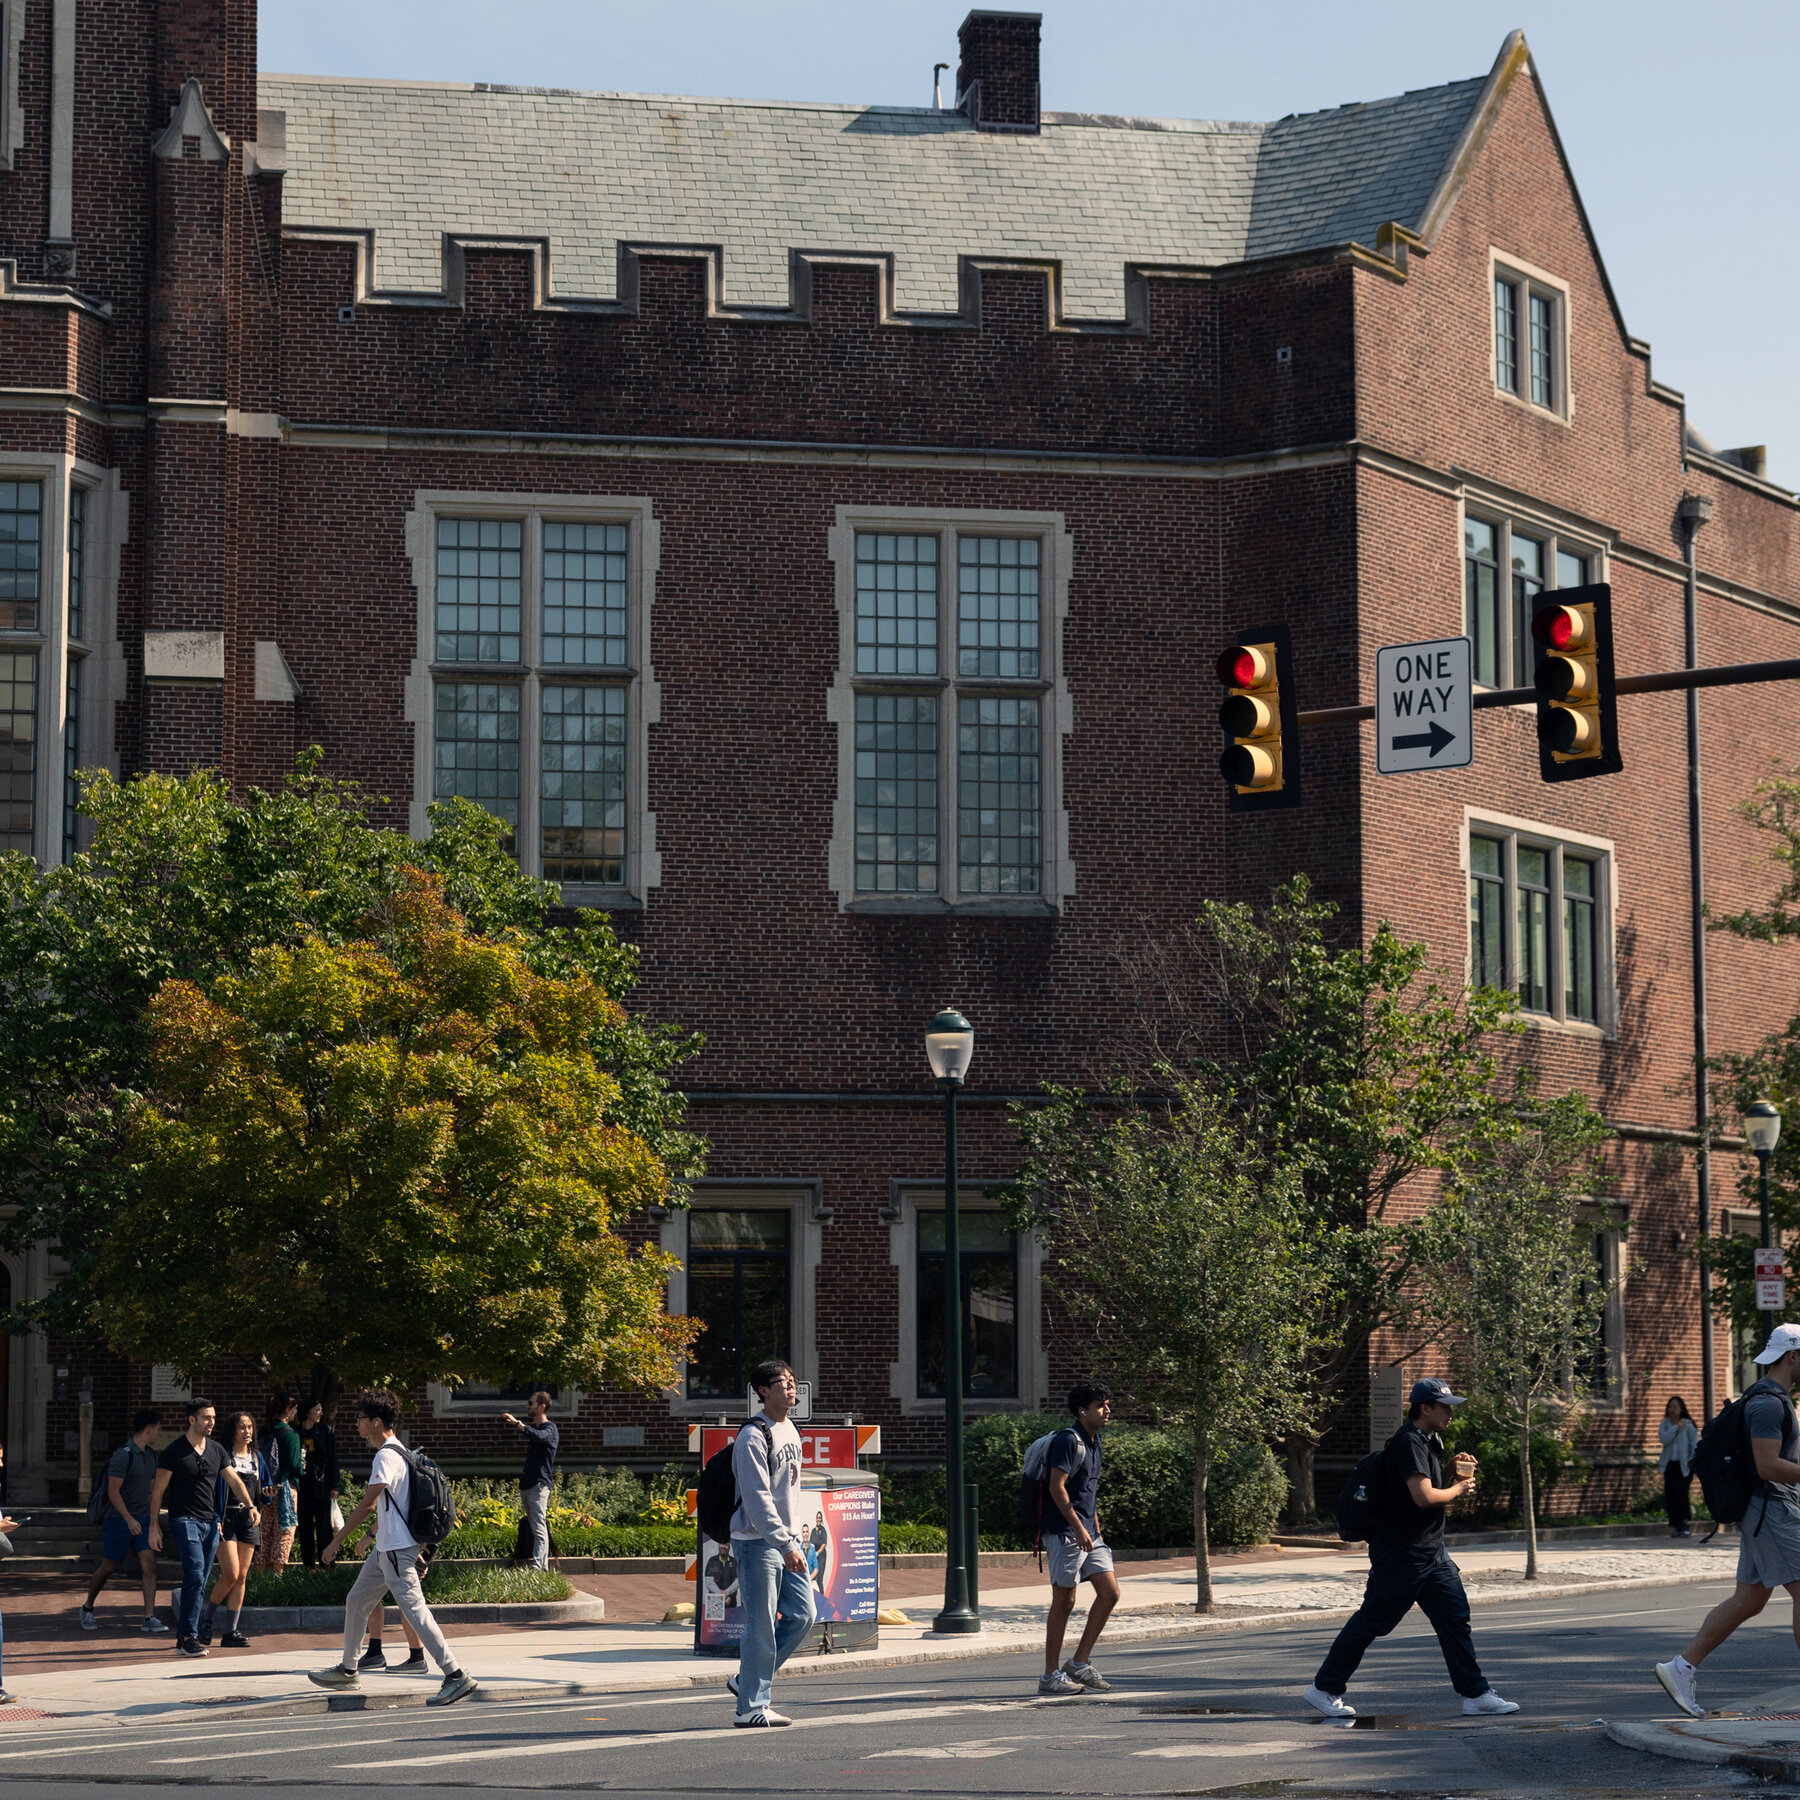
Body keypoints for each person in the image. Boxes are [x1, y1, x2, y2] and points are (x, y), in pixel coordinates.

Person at [1304, 1378, 1519, 1719]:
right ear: (1425, 1408)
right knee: (1373, 1621)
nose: (1450, 1412)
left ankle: (1475, 1694)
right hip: (1403, 1554)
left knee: (1454, 1621)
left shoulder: (1427, 1442)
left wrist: (1449, 1471)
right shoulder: (1408, 1442)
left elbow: (1424, 1489)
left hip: (1431, 1554)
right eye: (1445, 1406)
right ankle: (1324, 1688)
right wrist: (1459, 1489)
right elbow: (1425, 1497)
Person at [1656, 1326, 1800, 1717]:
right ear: (1792, 1356)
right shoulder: (1768, 1404)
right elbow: (1768, 1465)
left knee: (1748, 1599)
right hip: (1771, 1509)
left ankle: (1681, 1667)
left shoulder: (1766, 1398)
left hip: (1762, 1510)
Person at [307, 1390, 476, 1707]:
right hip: (386, 1549)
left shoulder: (386, 1455)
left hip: (397, 1551)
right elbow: (389, 1507)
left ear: (375, 1422)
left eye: (359, 1418)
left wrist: (336, 1540)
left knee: (416, 1611)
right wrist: (371, 1538)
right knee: (357, 1600)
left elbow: (369, 1504)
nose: (356, 1423)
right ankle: (348, 1669)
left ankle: (455, 1675)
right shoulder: (400, 1451)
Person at [728, 1358, 815, 1728]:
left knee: (804, 1615)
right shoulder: (752, 1436)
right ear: (763, 1391)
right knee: (761, 1624)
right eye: (783, 1382)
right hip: (758, 1542)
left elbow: (790, 1488)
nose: (791, 1387)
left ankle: (745, 1681)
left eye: (793, 1381)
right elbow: (757, 1499)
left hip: (788, 1540)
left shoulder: (790, 1429)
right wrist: (784, 1543)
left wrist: (794, 1537)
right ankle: (751, 1707)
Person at [146, 1397, 260, 1657]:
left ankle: (184, 1638)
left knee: (201, 1580)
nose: (211, 1422)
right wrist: (154, 1526)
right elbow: (157, 1491)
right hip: (184, 1520)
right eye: (206, 1418)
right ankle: (189, 1636)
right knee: (195, 1574)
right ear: (192, 1419)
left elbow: (234, 1482)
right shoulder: (174, 1451)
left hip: (210, 1523)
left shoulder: (217, 1450)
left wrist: (251, 1506)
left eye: (213, 1418)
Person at [1038, 1380, 1119, 1696]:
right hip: (1065, 1532)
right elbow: (1056, 1487)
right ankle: (1049, 1675)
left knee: (1110, 1592)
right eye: (1100, 1406)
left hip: (1089, 1533)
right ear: (1082, 1410)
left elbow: (1088, 1491)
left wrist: (1094, 1529)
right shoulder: (1069, 1442)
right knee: (1065, 1600)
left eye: (1107, 1404)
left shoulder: (1095, 1441)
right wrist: (1077, 1527)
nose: (1107, 1410)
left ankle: (1079, 1663)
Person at [80, 1409, 166, 1634]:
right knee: (108, 1567)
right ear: (149, 1428)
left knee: (150, 1566)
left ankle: (149, 1617)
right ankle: (88, 1607)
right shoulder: (123, 1455)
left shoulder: (153, 1455)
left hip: (143, 1519)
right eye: (157, 1428)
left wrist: (153, 1523)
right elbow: (113, 1491)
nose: (158, 1432)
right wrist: (128, 1519)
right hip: (118, 1520)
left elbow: (152, 1490)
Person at [198, 1413, 261, 1647]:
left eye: (250, 1427)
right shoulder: (222, 1455)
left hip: (248, 1518)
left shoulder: (256, 1457)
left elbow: (259, 1488)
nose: (247, 1431)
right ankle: (206, 1619)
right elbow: (212, 1490)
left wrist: (267, 1494)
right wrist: (214, 1518)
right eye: (242, 1427)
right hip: (226, 1518)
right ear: (232, 1431)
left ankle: (230, 1631)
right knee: (231, 1574)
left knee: (242, 1576)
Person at [501, 1391, 558, 1572]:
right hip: (528, 1484)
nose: (528, 1406)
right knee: (534, 1526)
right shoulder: (538, 1430)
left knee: (539, 1526)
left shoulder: (550, 1430)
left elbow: (538, 1437)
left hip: (539, 1485)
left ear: (541, 1406)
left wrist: (518, 1423)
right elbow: (534, 1434)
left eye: (531, 1403)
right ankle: (541, 1566)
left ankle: (539, 1568)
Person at [255, 1391, 305, 1570]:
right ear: (288, 1410)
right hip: (285, 1487)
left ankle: (259, 1573)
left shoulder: (263, 1431)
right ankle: (277, 1573)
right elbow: (293, 1465)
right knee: (284, 1530)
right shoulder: (290, 1434)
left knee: (264, 1530)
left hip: (264, 1486)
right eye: (295, 1409)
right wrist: (302, 1469)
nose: (296, 1412)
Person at [297, 1400, 342, 1568]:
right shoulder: (296, 1432)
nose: (320, 1413)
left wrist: (335, 1485)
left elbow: (332, 1459)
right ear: (308, 1411)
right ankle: (308, 1565)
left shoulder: (325, 1431)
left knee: (324, 1526)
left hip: (322, 1484)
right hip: (303, 1485)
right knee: (305, 1526)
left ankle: (327, 1564)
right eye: (317, 1410)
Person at [1660, 1396, 1698, 1539]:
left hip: (1684, 1466)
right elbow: (1664, 1439)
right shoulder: (1665, 1424)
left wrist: (1694, 1463)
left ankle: (1685, 1523)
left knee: (1681, 1494)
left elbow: (1695, 1444)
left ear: (1681, 1408)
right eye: (1670, 1407)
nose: (1673, 1410)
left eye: (1675, 1407)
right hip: (1670, 1464)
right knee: (1671, 1495)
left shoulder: (1688, 1425)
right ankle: (1676, 1525)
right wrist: (1675, 1427)